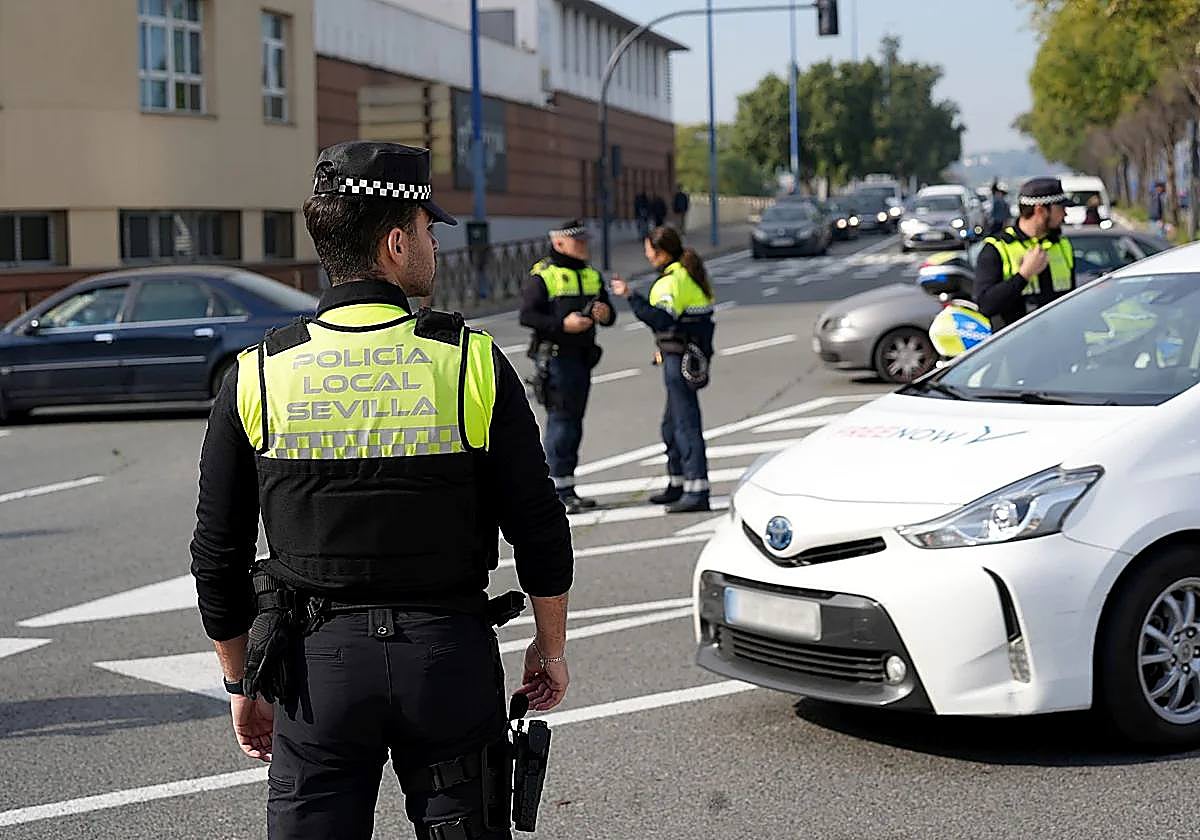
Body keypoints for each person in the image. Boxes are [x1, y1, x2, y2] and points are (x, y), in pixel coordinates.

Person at [190, 141, 573, 840]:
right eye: (428, 229)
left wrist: (241, 681)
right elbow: (539, 526)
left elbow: (217, 553)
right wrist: (549, 650)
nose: (434, 244)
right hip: (447, 661)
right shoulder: (471, 363)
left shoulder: (258, 373)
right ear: (396, 244)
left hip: (317, 672)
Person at [610, 226, 715, 513]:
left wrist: (631, 296)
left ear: (662, 252)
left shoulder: (671, 282)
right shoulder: (687, 275)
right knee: (671, 425)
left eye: (648, 250)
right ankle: (678, 483)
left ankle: (697, 490)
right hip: (684, 356)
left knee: (685, 424)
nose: (646, 255)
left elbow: (662, 319)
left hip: (679, 359)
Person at [520, 220, 616, 512]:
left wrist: (604, 313)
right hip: (556, 358)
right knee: (561, 424)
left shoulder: (591, 275)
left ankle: (567, 488)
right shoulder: (543, 275)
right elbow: (527, 316)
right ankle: (555, 493)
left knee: (574, 424)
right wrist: (563, 325)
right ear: (559, 243)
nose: (585, 246)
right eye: (579, 241)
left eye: (586, 241)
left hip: (582, 358)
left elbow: (610, 314)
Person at [973, 177, 1076, 333]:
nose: (1065, 214)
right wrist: (1024, 275)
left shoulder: (1062, 245)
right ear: (1040, 210)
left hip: (1062, 341)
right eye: (1060, 209)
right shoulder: (997, 248)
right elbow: (986, 305)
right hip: (1017, 344)